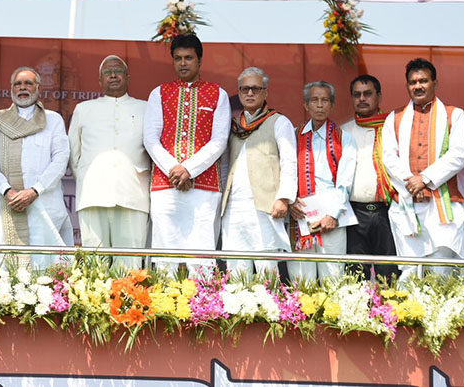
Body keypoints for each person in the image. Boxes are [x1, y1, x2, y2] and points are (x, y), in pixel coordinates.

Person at [143, 34, 231, 274]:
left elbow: (219, 141)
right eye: (178, 58)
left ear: (200, 61)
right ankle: (163, 305)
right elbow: (151, 139)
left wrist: (189, 169)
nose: (183, 63)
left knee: (201, 254)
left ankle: (202, 309)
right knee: (164, 255)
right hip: (165, 184)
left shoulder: (217, 94)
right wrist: (175, 170)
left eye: (188, 58)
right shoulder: (159, 93)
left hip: (204, 186)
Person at [382, 58, 464, 281]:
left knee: (443, 268)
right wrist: (412, 182)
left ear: (435, 83)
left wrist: (426, 179)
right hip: (407, 201)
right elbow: (389, 157)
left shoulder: (454, 115)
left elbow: (459, 155)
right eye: (412, 82)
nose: (417, 86)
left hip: (442, 203)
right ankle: (410, 314)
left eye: (423, 81)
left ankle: (442, 315)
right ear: (407, 85)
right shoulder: (394, 118)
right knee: (410, 269)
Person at [0, 67, 71, 268]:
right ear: (11, 89)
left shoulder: (52, 119)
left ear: (38, 88)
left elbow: (60, 159)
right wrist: (7, 190)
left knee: (44, 267)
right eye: (18, 84)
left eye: (28, 83)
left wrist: (35, 191)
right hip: (3, 203)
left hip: (44, 203)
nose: (23, 88)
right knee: (1, 267)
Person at [68, 55, 150, 269]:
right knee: (95, 266)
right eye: (107, 72)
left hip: (134, 195)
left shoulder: (146, 108)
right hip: (93, 195)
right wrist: (91, 177)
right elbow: (73, 154)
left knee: (130, 267)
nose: (113, 75)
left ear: (128, 77)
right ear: (99, 81)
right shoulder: (83, 109)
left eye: (118, 71)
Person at [220, 67, 296, 277]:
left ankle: (268, 310)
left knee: (266, 270)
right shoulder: (234, 126)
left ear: (265, 92)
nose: (250, 93)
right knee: (236, 271)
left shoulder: (279, 122)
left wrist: (284, 198)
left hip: (265, 206)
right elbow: (225, 166)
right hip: (234, 208)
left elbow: (290, 162)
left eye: (255, 88)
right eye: (245, 89)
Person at [288, 81, 357, 281]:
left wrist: (332, 215)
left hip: (333, 218)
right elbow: (285, 172)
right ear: (305, 105)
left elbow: (345, 182)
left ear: (332, 105)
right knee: (301, 282)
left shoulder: (344, 137)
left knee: (333, 280)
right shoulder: (293, 135)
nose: (319, 105)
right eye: (314, 100)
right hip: (300, 216)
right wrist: (290, 200)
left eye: (325, 100)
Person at [341, 75, 399, 280]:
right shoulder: (344, 132)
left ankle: (389, 312)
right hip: (354, 215)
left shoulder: (393, 129)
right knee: (356, 277)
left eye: (367, 94)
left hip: (387, 212)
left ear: (379, 96)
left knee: (389, 275)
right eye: (357, 95)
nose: (362, 99)